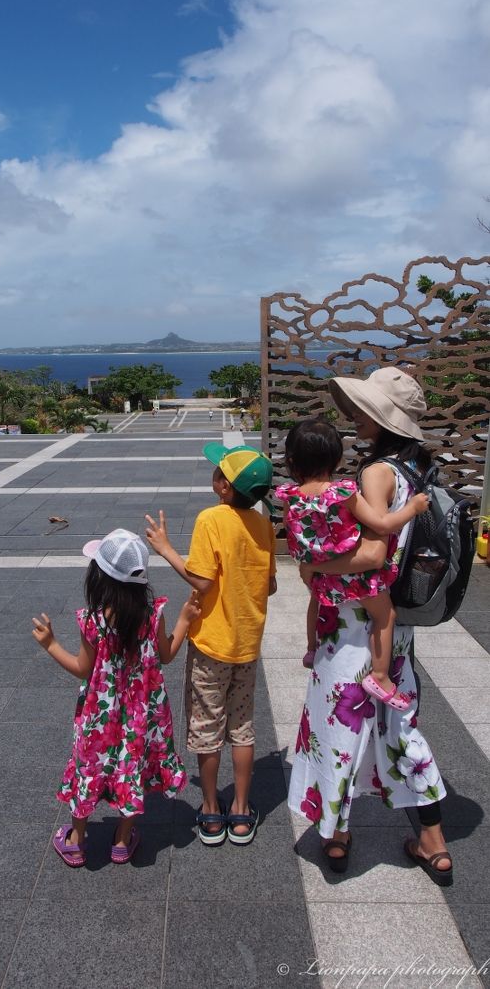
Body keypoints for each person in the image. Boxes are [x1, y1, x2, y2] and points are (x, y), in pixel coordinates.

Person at [287, 367, 452, 885]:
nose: (355, 416)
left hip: (351, 623)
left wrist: (314, 567)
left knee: (338, 726)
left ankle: (336, 834)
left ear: (385, 419)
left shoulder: (376, 473)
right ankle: (433, 841)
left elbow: (374, 553)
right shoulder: (418, 469)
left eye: (364, 410)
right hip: (391, 625)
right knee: (399, 728)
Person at [31, 527, 200, 868]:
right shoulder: (152, 616)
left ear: (100, 580)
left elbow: (82, 668)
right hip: (141, 717)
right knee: (130, 769)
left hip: (100, 719)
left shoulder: (93, 622)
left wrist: (50, 644)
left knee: (89, 769)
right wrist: (183, 619)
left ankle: (76, 841)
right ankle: (122, 841)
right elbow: (167, 655)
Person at [145, 444, 277, 847]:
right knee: (242, 727)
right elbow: (270, 585)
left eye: (219, 470)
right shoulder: (264, 525)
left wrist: (165, 548)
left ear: (224, 487)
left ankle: (210, 810)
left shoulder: (211, 519)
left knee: (207, 726)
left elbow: (201, 581)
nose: (215, 473)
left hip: (211, 645)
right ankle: (241, 810)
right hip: (247, 645)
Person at [277, 418, 429, 707]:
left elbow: (292, 531)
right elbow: (381, 524)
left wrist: (313, 559)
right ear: (336, 459)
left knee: (315, 603)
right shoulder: (343, 493)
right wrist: (412, 508)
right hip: (355, 575)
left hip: (321, 575)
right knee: (386, 616)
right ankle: (380, 676)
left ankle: (311, 649)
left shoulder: (290, 497)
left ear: (291, 460)